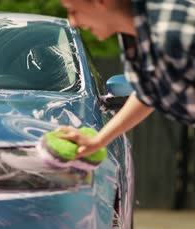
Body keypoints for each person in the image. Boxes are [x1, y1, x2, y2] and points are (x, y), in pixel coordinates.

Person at [57, 0, 195, 157]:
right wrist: (97, 141)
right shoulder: (134, 33)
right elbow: (148, 92)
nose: (73, 22)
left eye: (73, 10)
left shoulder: (175, 33)